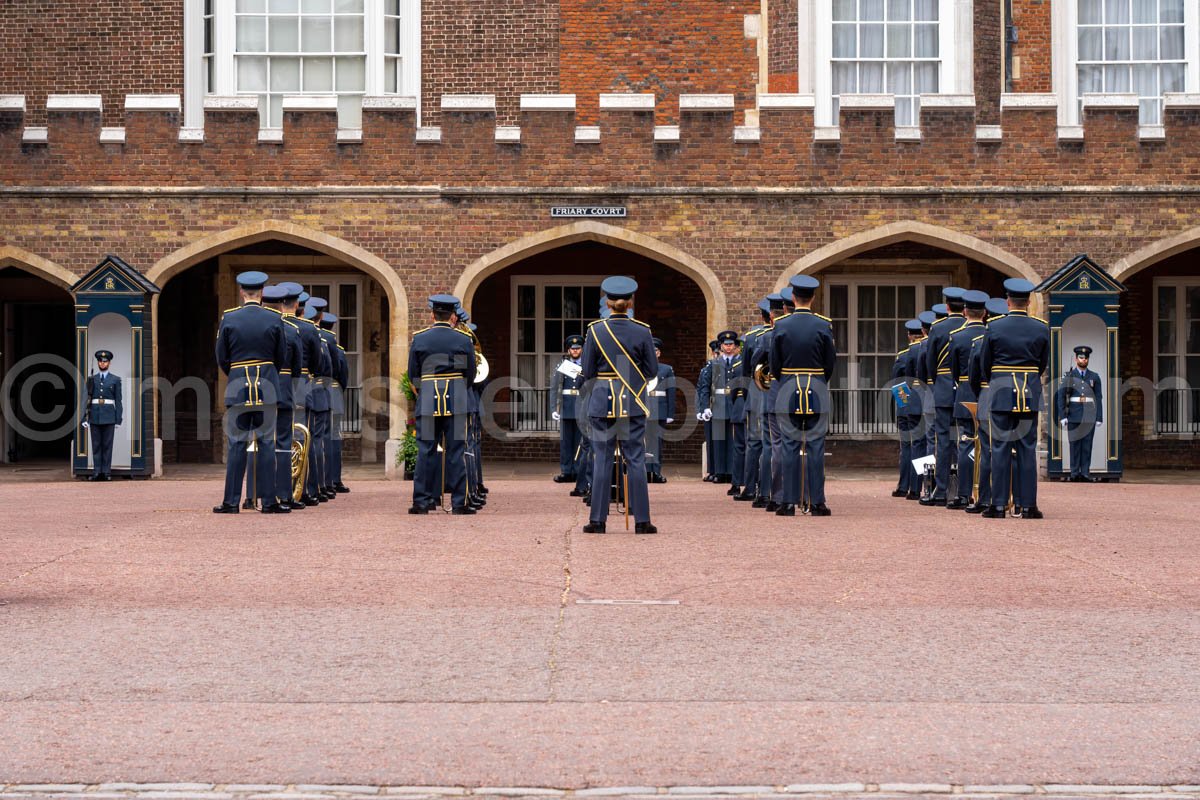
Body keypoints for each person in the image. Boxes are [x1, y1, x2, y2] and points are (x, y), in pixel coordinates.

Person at [581, 276, 658, 534]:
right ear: (630, 302)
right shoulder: (642, 330)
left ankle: (598, 520)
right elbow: (651, 369)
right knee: (635, 459)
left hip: (602, 400)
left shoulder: (595, 330)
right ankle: (642, 520)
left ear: (608, 302)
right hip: (632, 401)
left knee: (601, 459)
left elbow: (588, 370)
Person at [213, 271, 289, 514]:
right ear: (262, 293)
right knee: (267, 444)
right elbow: (281, 356)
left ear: (242, 292)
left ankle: (231, 502)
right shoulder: (274, 318)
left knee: (237, 445)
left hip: (237, 387)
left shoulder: (229, 318)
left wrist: (236, 373)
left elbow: (221, 357)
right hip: (266, 385)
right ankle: (268, 502)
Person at [980, 278, 1050, 519]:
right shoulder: (1041, 327)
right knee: (1026, 449)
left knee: (999, 448)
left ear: (1008, 301)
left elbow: (985, 362)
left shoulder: (994, 326)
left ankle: (998, 505)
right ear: (1028, 302)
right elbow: (1042, 363)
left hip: (1000, 390)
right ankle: (1027, 505)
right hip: (1029, 390)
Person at [770, 274, 837, 516]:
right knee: (816, 447)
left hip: (788, 388)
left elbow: (774, 363)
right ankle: (817, 501)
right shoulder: (823, 324)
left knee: (788, 446)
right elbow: (830, 363)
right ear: (813, 298)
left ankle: (787, 502)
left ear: (793, 298)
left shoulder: (781, 325)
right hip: (816, 389)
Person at [408, 294, 477, 515]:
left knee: (426, 451)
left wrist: (425, 391)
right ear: (452, 316)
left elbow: (413, 374)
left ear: (432, 314)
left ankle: (422, 501)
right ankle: (458, 502)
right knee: (456, 451)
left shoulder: (420, 338)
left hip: (428, 399)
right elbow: (470, 374)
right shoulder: (462, 340)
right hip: (456, 398)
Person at [259, 284, 305, 510]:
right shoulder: (289, 329)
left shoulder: (249, 324)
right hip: (284, 386)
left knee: (259, 441)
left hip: (255, 385)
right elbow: (296, 367)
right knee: (284, 441)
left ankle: (258, 492)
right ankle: (284, 494)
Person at [922, 287, 967, 506]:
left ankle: (941, 491)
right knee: (966, 440)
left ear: (947, 306)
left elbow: (930, 362)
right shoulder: (970, 327)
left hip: (943, 386)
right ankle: (962, 489)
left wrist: (938, 381)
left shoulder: (937, 328)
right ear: (965, 307)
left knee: (942, 441)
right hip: (967, 388)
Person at [966, 296, 1011, 513]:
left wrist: (983, 393)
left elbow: (974, 377)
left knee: (986, 452)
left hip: (988, 397)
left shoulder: (980, 341)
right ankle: (1015, 498)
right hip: (1015, 397)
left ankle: (985, 498)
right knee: (1013, 450)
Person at [736, 299, 772, 502]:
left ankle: (750, 488)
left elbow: (745, 372)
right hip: (779, 392)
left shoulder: (751, 337)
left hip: (758, 393)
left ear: (762, 316)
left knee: (755, 443)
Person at [1056, 345, 1104, 482]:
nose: (1083, 360)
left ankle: (1085, 473)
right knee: (1075, 445)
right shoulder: (1069, 376)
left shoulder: (1094, 377)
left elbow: (1098, 397)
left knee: (1087, 445)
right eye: (1081, 358)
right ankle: (1074, 472)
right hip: (1073, 414)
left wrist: (1099, 417)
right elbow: (1061, 396)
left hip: (1089, 415)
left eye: (1086, 358)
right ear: (1076, 359)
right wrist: (1063, 416)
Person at [891, 320, 925, 499]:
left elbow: (898, 384)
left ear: (909, 335)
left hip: (908, 406)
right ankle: (919, 485)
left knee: (907, 447)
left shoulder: (904, 355)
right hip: (926, 403)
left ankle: (905, 485)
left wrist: (904, 405)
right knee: (923, 446)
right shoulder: (927, 349)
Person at [319, 311, 351, 494]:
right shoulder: (337, 349)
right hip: (334, 391)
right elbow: (343, 375)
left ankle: (323, 481)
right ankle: (334, 479)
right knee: (333, 438)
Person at [550, 334, 586, 484]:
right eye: (573, 348)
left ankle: (578, 471)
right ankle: (566, 471)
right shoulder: (562, 365)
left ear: (582, 349)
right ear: (568, 350)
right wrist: (554, 408)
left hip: (581, 406)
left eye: (578, 348)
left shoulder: (587, 366)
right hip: (566, 406)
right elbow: (554, 388)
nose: (575, 351)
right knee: (566, 442)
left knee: (579, 442)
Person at [84, 349, 122, 481]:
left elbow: (118, 400)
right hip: (94, 414)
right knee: (96, 445)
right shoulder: (92, 379)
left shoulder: (115, 380)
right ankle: (96, 472)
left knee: (107, 445)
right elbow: (87, 399)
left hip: (109, 415)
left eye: (105, 361)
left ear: (109, 363)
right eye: (100, 361)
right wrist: (85, 417)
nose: (102, 363)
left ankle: (106, 472)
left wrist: (118, 419)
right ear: (98, 363)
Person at [646, 337, 676, 484]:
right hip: (644, 408)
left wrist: (670, 413)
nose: (653, 353)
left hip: (660, 408)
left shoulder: (666, 369)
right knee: (644, 442)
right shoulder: (640, 367)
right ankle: (645, 471)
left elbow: (671, 392)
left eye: (655, 350)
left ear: (659, 353)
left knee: (657, 443)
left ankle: (656, 471)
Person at [697, 339, 719, 481]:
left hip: (721, 406)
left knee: (720, 440)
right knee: (711, 440)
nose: (717, 356)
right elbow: (701, 389)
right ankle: (712, 470)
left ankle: (719, 470)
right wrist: (701, 408)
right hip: (710, 407)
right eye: (715, 353)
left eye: (719, 353)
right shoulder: (707, 369)